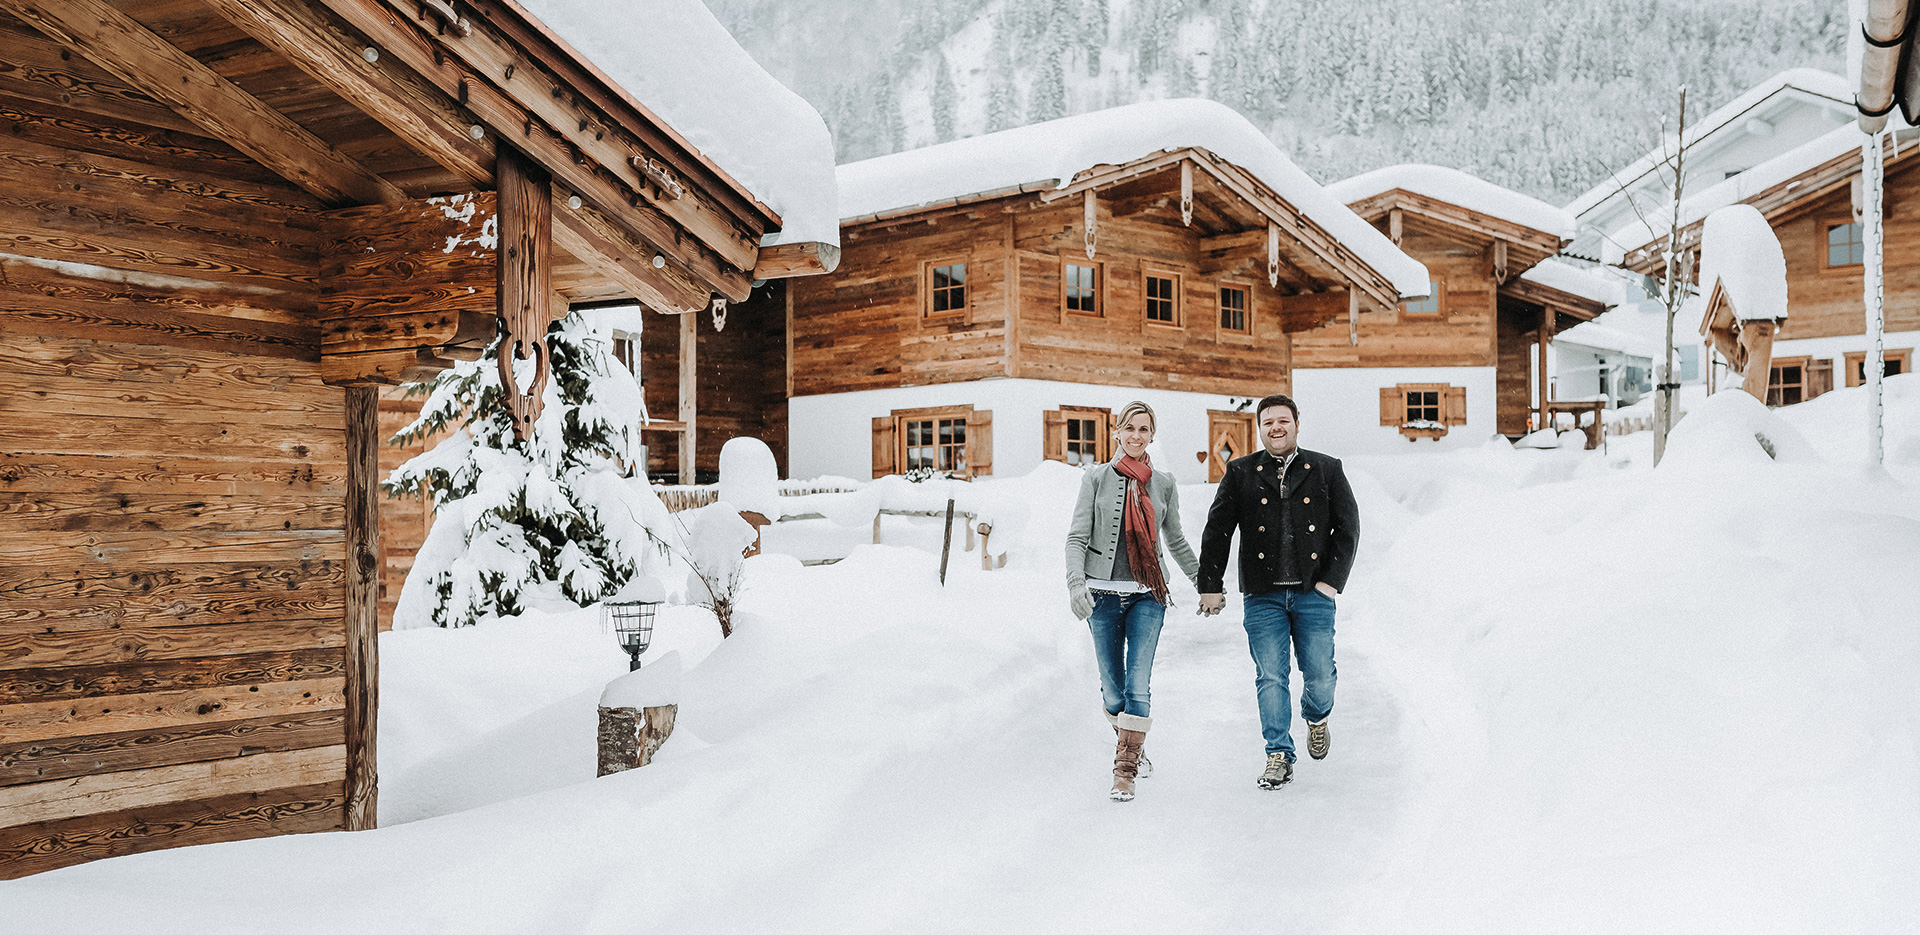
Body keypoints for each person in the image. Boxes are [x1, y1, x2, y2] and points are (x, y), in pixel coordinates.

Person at [1197, 394, 1359, 790]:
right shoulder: (1240, 472)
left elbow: (1348, 528)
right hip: (1262, 594)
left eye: (1283, 420)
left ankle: (1317, 718)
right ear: (1260, 427)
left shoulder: (1325, 468)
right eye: (1268, 422)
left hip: (1312, 593)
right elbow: (1218, 531)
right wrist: (1210, 585)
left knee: (1320, 675)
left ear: (1297, 424)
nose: (1276, 428)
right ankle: (1277, 754)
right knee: (1271, 675)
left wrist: (1329, 583)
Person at [1064, 400, 1199, 802]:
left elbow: (1174, 540)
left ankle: (1125, 768)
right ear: (1117, 432)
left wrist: (1203, 580)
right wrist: (1075, 585)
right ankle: (1132, 738)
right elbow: (1076, 538)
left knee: (1139, 683)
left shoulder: (1165, 483)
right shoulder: (1096, 479)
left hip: (1148, 596)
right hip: (1102, 596)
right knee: (1112, 691)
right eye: (1130, 428)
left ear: (1152, 435)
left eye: (1145, 429)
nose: (1137, 436)